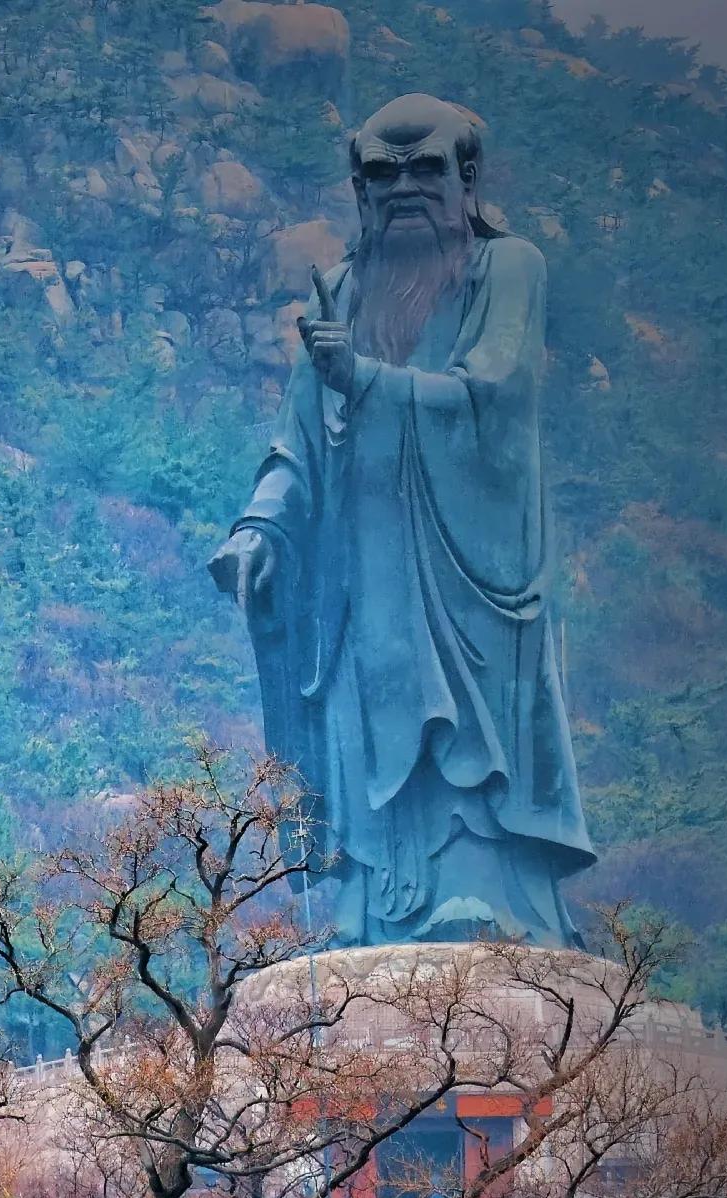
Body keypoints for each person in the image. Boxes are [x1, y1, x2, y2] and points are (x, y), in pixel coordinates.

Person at [210, 94, 596, 949]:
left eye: (427, 169)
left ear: (467, 178)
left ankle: (475, 880)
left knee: (459, 720)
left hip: (470, 560)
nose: (406, 188)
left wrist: (368, 381)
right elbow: (296, 447)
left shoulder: (509, 270)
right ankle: (373, 891)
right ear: (359, 188)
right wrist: (260, 532)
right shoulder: (344, 292)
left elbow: (496, 394)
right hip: (362, 563)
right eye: (384, 174)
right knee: (365, 699)